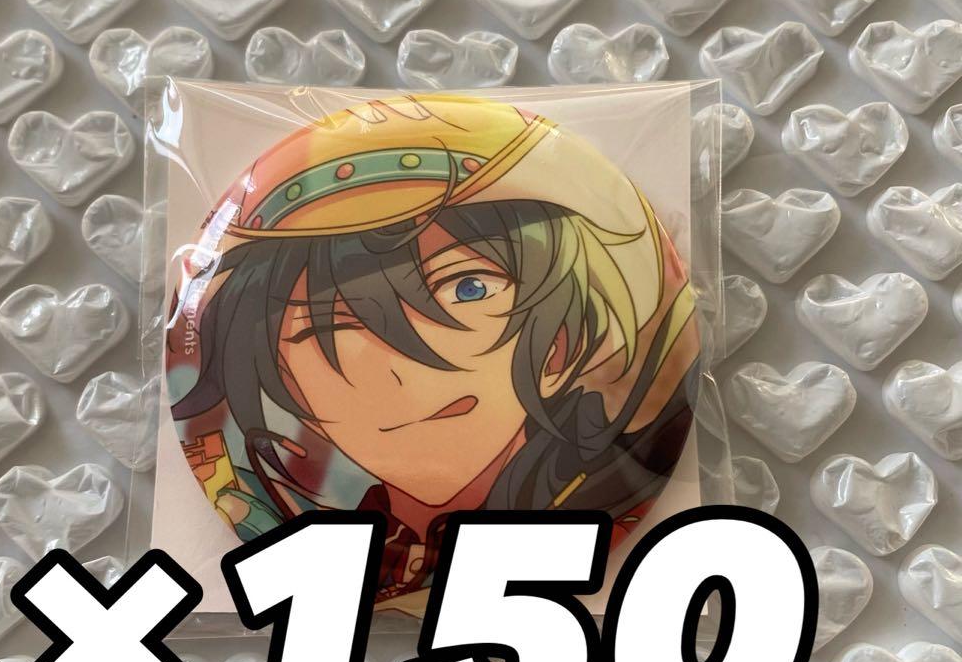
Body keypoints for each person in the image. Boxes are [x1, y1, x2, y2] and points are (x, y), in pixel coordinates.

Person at [167, 94, 699, 609]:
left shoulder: (609, 483)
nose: (404, 368)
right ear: (286, 378)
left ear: (557, 345)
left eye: (468, 288)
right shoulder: (331, 540)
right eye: (329, 326)